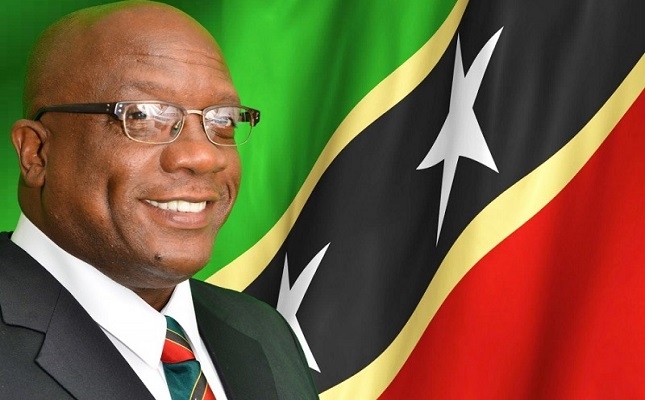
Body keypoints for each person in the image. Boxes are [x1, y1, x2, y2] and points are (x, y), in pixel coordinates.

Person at [0, 1, 319, 399]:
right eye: (143, 116)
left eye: (222, 120)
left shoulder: (265, 333)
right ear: (36, 153)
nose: (204, 157)